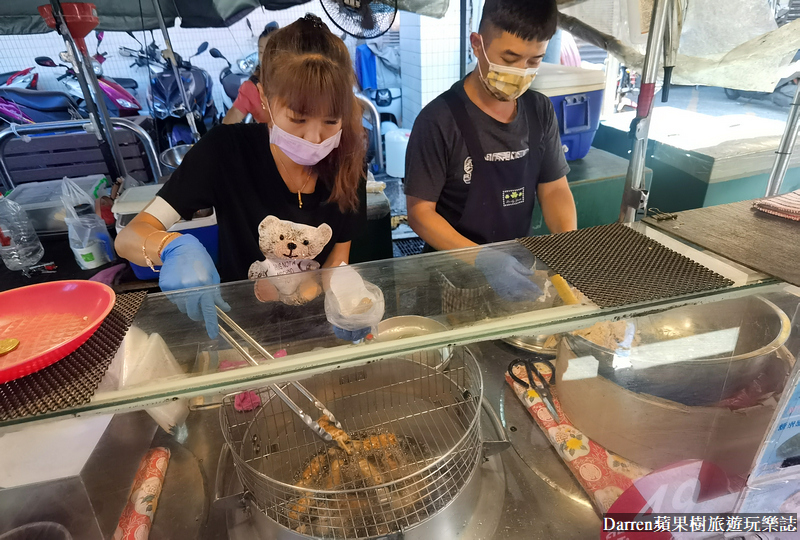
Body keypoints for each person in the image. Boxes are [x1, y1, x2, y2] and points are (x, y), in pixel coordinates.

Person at [115, 14, 366, 338]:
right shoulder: (225, 151)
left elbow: (337, 261)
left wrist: (348, 306)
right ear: (264, 98)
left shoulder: (347, 161)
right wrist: (170, 247)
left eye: (331, 121)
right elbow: (129, 236)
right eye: (298, 119)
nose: (315, 138)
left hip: (316, 328)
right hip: (242, 331)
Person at [404, 0, 577, 301]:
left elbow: (554, 190)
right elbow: (420, 214)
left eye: (533, 61)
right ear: (477, 44)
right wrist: (483, 259)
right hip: (453, 280)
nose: (521, 72)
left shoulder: (540, 111)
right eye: (509, 59)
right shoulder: (438, 120)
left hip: (521, 273)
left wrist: (567, 249)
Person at [222, 21, 279, 124]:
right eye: (261, 52)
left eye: (272, 51)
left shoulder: (299, 82)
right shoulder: (251, 88)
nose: (266, 57)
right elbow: (229, 121)